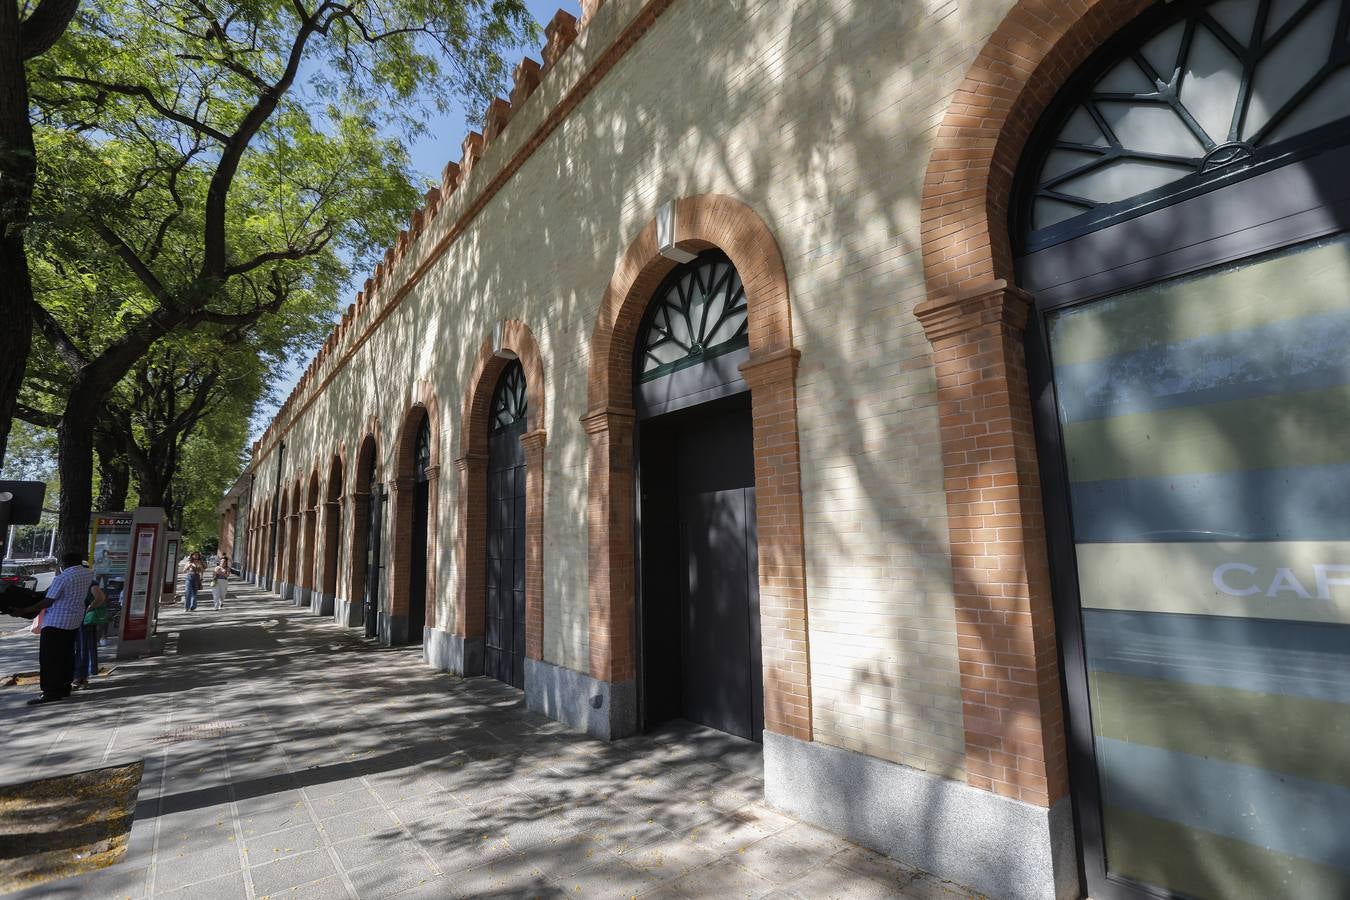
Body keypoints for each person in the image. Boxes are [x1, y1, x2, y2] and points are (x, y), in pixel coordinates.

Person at [19, 551, 105, 706]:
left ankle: (50, 691)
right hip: (73, 621)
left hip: (56, 622)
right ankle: (64, 686)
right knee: (66, 655)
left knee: (49, 658)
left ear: (64, 563)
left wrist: (26, 610)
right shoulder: (87, 574)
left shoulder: (63, 577)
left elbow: (48, 601)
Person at [72, 585, 107, 690]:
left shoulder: (89, 583)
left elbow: (100, 597)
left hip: (84, 621)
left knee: (82, 648)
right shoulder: (88, 582)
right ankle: (82, 677)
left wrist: (89, 608)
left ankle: (80, 677)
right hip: (83, 621)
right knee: (84, 648)